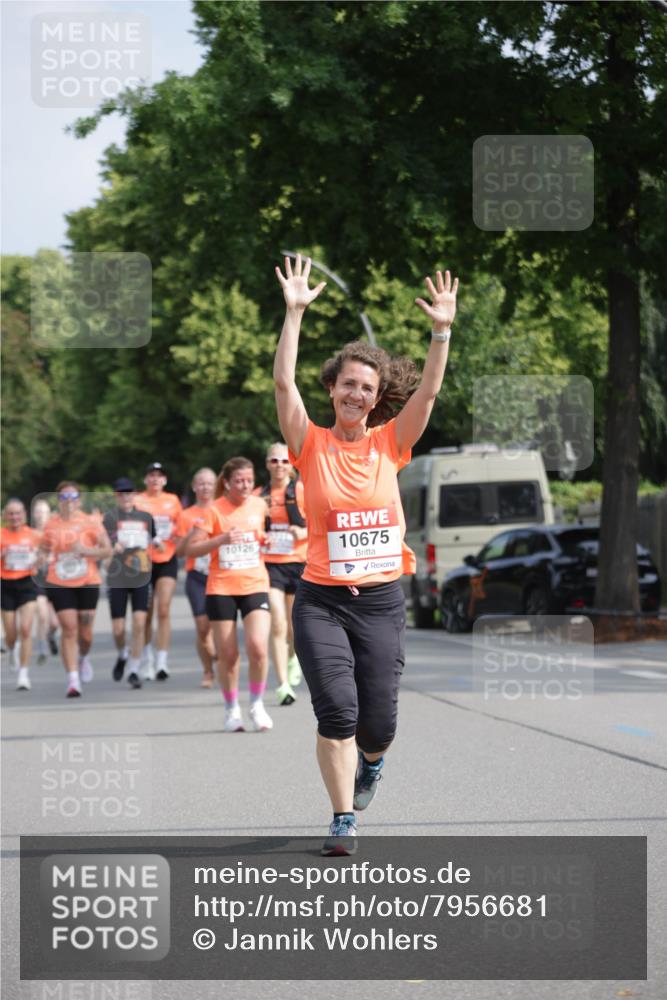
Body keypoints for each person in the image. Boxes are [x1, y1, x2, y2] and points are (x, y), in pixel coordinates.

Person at [274, 254, 458, 855]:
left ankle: (371, 765)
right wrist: (294, 314)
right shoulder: (308, 443)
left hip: (379, 601)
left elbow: (429, 391)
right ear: (332, 388)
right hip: (321, 600)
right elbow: (283, 385)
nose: (356, 393)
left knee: (378, 724)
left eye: (367, 388)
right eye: (348, 383)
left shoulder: (390, 443)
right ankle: (342, 817)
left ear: (377, 400)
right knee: (337, 712)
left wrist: (441, 330)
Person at [186, 458, 273, 733]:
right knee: (229, 655)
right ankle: (231, 707)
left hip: (255, 583)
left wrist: (265, 539)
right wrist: (220, 540)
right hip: (221, 587)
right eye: (239, 481)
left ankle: (257, 704)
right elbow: (191, 549)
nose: (245, 485)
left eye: (249, 480)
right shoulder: (213, 510)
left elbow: (262, 533)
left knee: (258, 647)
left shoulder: (259, 505)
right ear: (226, 483)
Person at [40, 482, 112, 697]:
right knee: (69, 629)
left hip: (87, 580)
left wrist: (86, 551)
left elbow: (107, 550)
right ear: (58, 500)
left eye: (73, 496)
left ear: (79, 500)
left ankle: (83, 658)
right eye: (64, 497)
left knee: (86, 634)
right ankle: (73, 680)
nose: (69, 501)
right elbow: (43, 549)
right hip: (59, 581)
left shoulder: (91, 522)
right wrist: (41, 558)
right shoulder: (51, 525)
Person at [260, 442, 307, 705]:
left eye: (284, 461)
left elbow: (321, 524)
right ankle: (282, 685)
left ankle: (293, 658)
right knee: (277, 622)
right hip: (270, 565)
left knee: (292, 627)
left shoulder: (301, 490)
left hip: (298, 563)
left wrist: (303, 532)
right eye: (274, 460)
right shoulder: (260, 495)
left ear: (291, 465)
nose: (279, 465)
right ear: (267, 464)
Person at [103, 478, 158, 690]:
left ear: (134, 494)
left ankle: (134, 669)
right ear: (116, 495)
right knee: (118, 628)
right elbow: (105, 542)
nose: (125, 496)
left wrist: (157, 547)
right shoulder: (109, 518)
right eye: (121, 493)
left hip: (140, 574)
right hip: (117, 575)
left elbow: (154, 541)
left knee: (139, 623)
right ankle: (122, 654)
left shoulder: (146, 517)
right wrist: (112, 546)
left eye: (128, 492)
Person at [135, 462, 183, 681]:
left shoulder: (173, 501)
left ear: (164, 480)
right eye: (151, 475)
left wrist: (177, 540)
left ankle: (162, 661)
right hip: (143, 561)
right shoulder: (138, 501)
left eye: (159, 475)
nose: (155, 479)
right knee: (145, 613)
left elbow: (180, 527)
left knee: (163, 610)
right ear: (146, 479)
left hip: (166, 558)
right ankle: (147, 659)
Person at [174, 468, 217, 688]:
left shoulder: (223, 510)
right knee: (202, 627)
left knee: (218, 625)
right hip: (197, 575)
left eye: (209, 483)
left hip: (220, 575)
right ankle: (208, 670)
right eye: (201, 483)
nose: (205, 487)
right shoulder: (186, 515)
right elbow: (179, 552)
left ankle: (219, 659)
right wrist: (192, 534)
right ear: (194, 487)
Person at [1, 499, 40, 690]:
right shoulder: (1, 534)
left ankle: (23, 674)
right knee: (11, 633)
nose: (14, 517)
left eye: (18, 513)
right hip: (6, 584)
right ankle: (12, 648)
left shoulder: (33, 535)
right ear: (5, 516)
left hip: (27, 583)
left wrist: (38, 559)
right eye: (11, 513)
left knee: (25, 629)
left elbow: (44, 557)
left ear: (24, 514)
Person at [31, 498, 59, 663]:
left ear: (49, 514)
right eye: (38, 511)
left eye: (44, 512)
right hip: (38, 580)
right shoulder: (29, 534)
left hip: (54, 581)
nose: (41, 515)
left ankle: (50, 635)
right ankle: (42, 649)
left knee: (54, 622)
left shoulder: (55, 533)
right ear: (33, 514)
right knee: (42, 616)